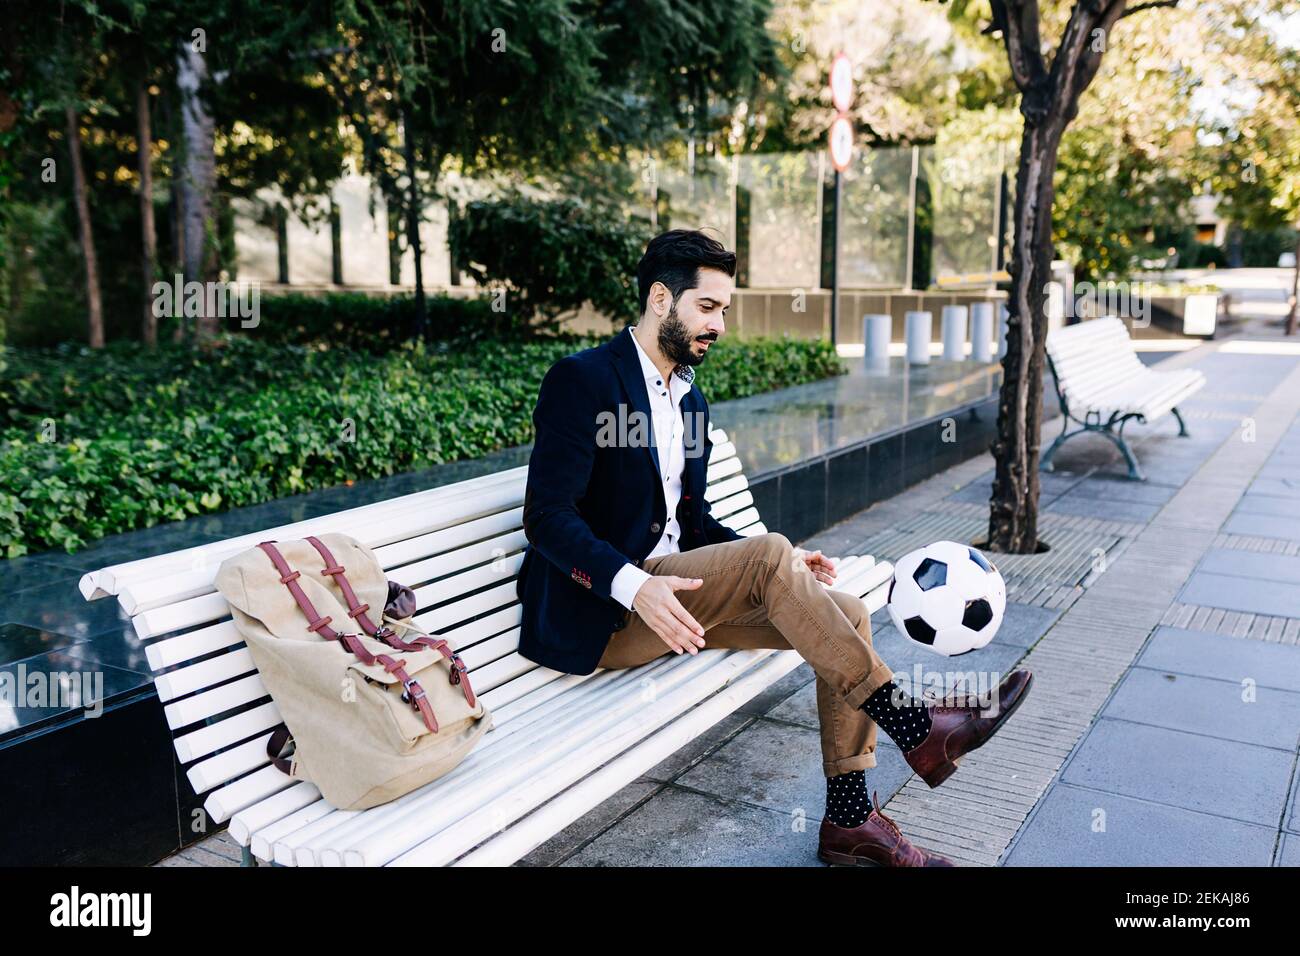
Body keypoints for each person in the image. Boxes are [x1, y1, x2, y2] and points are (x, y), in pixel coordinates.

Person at [515, 228, 1032, 867]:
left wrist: (787, 568)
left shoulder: (690, 399)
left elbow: (694, 523)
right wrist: (635, 584)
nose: (719, 324)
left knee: (848, 612)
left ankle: (849, 823)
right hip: (604, 612)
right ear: (658, 299)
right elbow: (546, 517)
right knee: (770, 559)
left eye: (724, 310)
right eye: (707, 307)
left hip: (681, 601)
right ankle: (917, 727)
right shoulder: (583, 380)